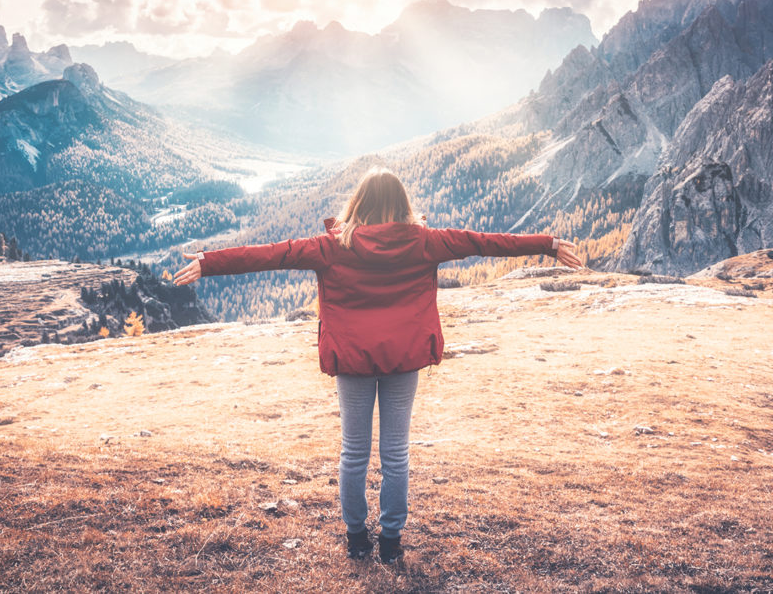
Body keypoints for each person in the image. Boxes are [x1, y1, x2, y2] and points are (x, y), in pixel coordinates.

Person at [173, 166, 584, 563]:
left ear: (358, 204)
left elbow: (271, 255)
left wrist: (209, 262)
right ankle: (390, 540)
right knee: (395, 454)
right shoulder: (427, 242)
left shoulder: (331, 247)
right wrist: (546, 243)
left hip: (352, 360)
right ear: (402, 204)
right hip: (403, 360)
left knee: (354, 453)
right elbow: (485, 242)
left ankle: (356, 538)